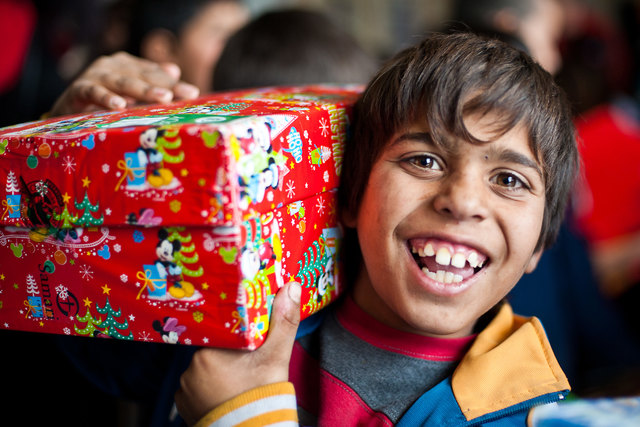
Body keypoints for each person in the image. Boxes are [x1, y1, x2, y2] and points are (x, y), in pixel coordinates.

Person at [174, 31, 578, 426]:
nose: (463, 202)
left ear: (540, 243)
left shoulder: (533, 416)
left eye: (509, 180)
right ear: (351, 195)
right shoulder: (234, 317)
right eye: (423, 160)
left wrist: (243, 420)